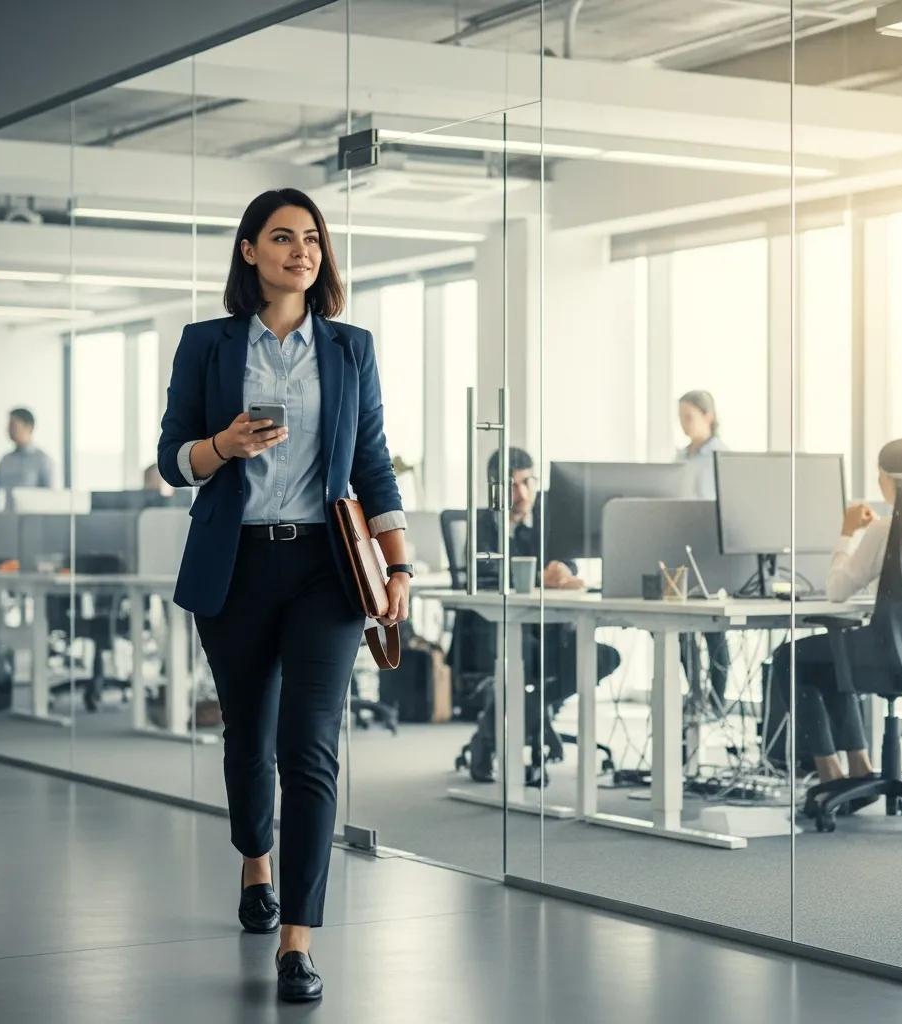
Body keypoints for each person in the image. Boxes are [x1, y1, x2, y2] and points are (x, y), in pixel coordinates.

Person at [156, 188, 409, 1003]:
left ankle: (296, 939)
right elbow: (171, 460)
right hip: (236, 565)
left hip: (324, 572)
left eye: (312, 238)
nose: (301, 250)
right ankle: (254, 864)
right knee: (248, 740)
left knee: (310, 747)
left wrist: (397, 567)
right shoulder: (207, 344)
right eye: (282, 237)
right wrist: (221, 446)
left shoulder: (350, 348)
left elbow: (372, 461)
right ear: (249, 251)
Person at [771, 437, 902, 813]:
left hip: (889, 653)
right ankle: (861, 768)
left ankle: (832, 776)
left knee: (793, 659)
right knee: (834, 655)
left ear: (890, 481)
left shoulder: (884, 530)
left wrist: (848, 532)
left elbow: (837, 590)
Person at [461, 447, 621, 786]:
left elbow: (568, 563)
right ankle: (526, 723)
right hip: (497, 632)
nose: (521, 494)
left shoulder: (552, 518)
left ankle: (505, 723)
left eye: (527, 482)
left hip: (551, 630)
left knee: (603, 657)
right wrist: (537, 579)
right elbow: (482, 579)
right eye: (511, 485)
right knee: (525, 658)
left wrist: (566, 574)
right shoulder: (484, 525)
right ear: (495, 488)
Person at [676, 390, 730, 710]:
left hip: (711, 547)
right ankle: (695, 692)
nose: (684, 424)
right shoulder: (679, 458)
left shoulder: (719, 456)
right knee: (683, 627)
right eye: (680, 418)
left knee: (714, 631)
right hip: (682, 544)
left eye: (689, 417)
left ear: (708, 417)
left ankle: (717, 699)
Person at [0, 407, 55, 504]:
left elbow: (50, 497)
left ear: (28, 427)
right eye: (8, 426)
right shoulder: (6, 460)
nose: (8, 430)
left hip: (32, 517)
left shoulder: (42, 460)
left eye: (13, 425)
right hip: (7, 517)